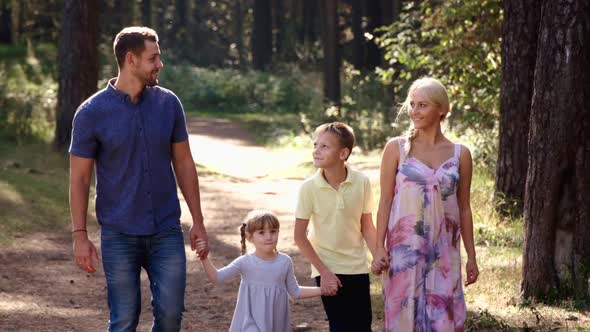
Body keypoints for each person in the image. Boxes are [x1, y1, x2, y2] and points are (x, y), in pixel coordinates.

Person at [69, 26, 209, 332]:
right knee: (124, 320)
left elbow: (184, 163)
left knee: (171, 317)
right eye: (153, 58)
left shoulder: (168, 103)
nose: (160, 64)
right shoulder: (91, 113)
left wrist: (197, 220)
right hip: (119, 233)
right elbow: (79, 178)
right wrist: (80, 235)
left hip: (166, 230)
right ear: (131, 59)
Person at [372, 77, 479, 331]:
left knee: (444, 319)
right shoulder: (396, 149)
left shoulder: (460, 154)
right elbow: (385, 201)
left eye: (423, 105)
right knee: (402, 318)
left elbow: (464, 207)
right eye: (412, 104)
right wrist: (378, 248)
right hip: (404, 252)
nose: (414, 111)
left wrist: (471, 256)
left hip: (444, 253)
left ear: (442, 109)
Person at [294, 122, 377, 332]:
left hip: (357, 266)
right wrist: (324, 272)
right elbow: (299, 237)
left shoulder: (362, 182)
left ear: (343, 154)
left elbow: (366, 225)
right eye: (315, 145)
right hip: (327, 267)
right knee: (340, 325)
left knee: (362, 326)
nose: (316, 150)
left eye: (324, 146)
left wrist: (378, 255)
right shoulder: (309, 188)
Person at [196, 209, 324, 332]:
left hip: (276, 324)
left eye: (273, 231)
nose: (269, 237)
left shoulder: (284, 262)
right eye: (261, 232)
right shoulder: (245, 262)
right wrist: (204, 257)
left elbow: (295, 291)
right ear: (249, 237)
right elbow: (217, 277)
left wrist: (323, 290)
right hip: (249, 323)